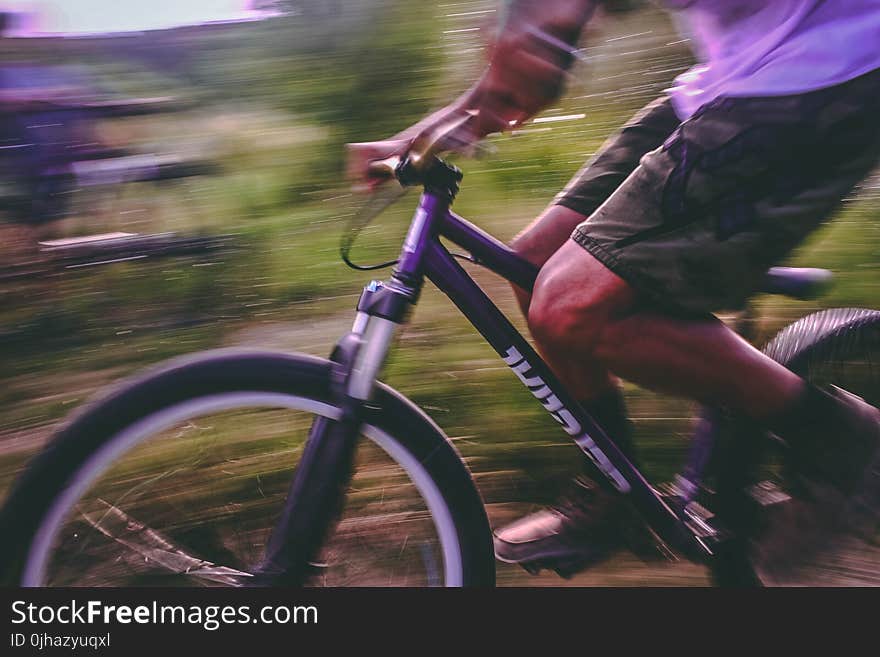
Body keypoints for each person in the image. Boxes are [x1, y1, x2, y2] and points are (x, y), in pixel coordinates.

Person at [348, 0, 880, 576]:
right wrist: (441, 127)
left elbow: (549, 26)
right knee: (532, 264)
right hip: (737, 76)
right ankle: (616, 492)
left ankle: (854, 447)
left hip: (836, 67)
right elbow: (541, 42)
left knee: (571, 305)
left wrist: (540, 28)